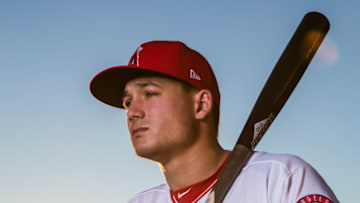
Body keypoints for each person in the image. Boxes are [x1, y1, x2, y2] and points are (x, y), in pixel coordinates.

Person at [90, 41, 339, 203]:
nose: (132, 112)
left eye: (150, 93)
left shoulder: (281, 178)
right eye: (127, 101)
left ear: (201, 105)